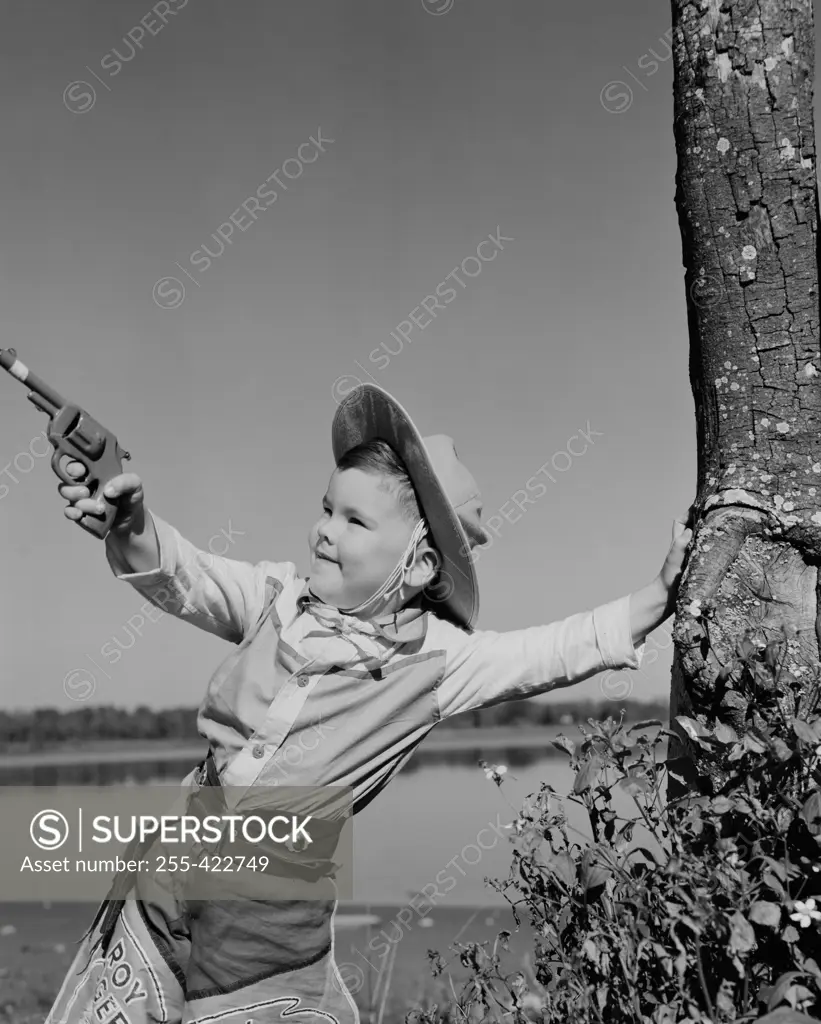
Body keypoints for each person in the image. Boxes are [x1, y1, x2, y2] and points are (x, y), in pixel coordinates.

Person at [45, 383, 693, 1024]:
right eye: (326, 509)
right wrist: (129, 522)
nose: (324, 532)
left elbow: (549, 652)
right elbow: (186, 577)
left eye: (353, 521)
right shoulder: (278, 597)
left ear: (415, 566)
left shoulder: (435, 664)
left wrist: (653, 599)